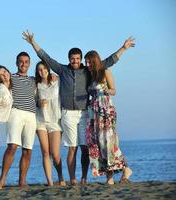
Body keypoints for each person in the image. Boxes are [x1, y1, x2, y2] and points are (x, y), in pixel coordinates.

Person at [22, 30, 133, 185]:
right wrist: (33, 42)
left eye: (77, 59)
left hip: (85, 114)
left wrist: (124, 48)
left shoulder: (87, 71)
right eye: (72, 58)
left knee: (86, 148)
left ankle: (84, 178)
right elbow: (45, 57)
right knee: (72, 148)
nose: (75, 61)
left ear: (81, 59)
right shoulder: (62, 70)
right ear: (69, 59)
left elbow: (107, 62)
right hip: (67, 114)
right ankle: (73, 179)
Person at [84, 48, 134, 185]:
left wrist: (106, 90)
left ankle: (123, 170)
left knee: (108, 143)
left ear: (95, 61)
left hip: (106, 111)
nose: (87, 65)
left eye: (89, 62)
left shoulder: (105, 72)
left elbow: (114, 90)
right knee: (99, 145)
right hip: (93, 114)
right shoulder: (90, 76)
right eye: (86, 62)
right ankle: (112, 177)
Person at [0, 52, 37, 188]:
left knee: (28, 150)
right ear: (16, 63)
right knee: (12, 146)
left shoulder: (33, 80)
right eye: (21, 61)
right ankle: (2, 179)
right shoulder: (11, 78)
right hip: (16, 113)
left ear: (29, 64)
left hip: (31, 115)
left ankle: (22, 181)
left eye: (26, 62)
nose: (23, 64)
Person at [35, 61, 66, 186]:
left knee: (55, 153)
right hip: (41, 121)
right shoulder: (36, 85)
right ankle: (50, 181)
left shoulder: (56, 82)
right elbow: (33, 101)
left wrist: (56, 76)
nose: (42, 71)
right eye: (39, 70)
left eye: (44, 69)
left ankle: (60, 176)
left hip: (55, 121)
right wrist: (38, 103)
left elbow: (66, 79)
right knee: (46, 152)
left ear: (48, 69)